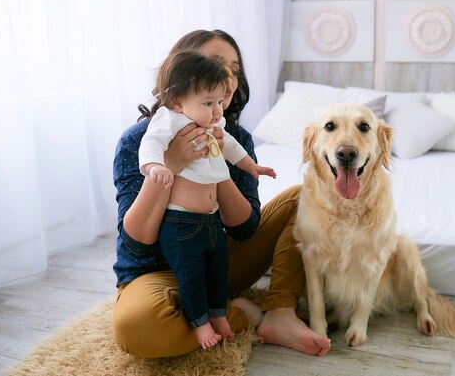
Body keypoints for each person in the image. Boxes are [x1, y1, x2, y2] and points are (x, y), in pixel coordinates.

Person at [112, 29, 331, 357]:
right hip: (156, 271)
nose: (228, 77)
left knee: (304, 194)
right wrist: (171, 164)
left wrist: (215, 167)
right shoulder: (140, 140)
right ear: (181, 78)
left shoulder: (234, 137)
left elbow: (244, 229)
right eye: (216, 64)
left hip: (217, 257)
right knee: (138, 328)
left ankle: (281, 312)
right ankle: (244, 314)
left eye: (235, 68)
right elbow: (137, 241)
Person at [138, 49, 276, 349]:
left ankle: (219, 314)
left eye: (218, 102)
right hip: (180, 222)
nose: (217, 111)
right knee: (192, 277)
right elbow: (150, 144)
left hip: (211, 221)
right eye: (208, 103)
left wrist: (251, 167)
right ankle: (200, 324)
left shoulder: (214, 124)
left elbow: (233, 148)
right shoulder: (170, 120)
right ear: (178, 101)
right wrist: (156, 167)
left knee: (217, 272)